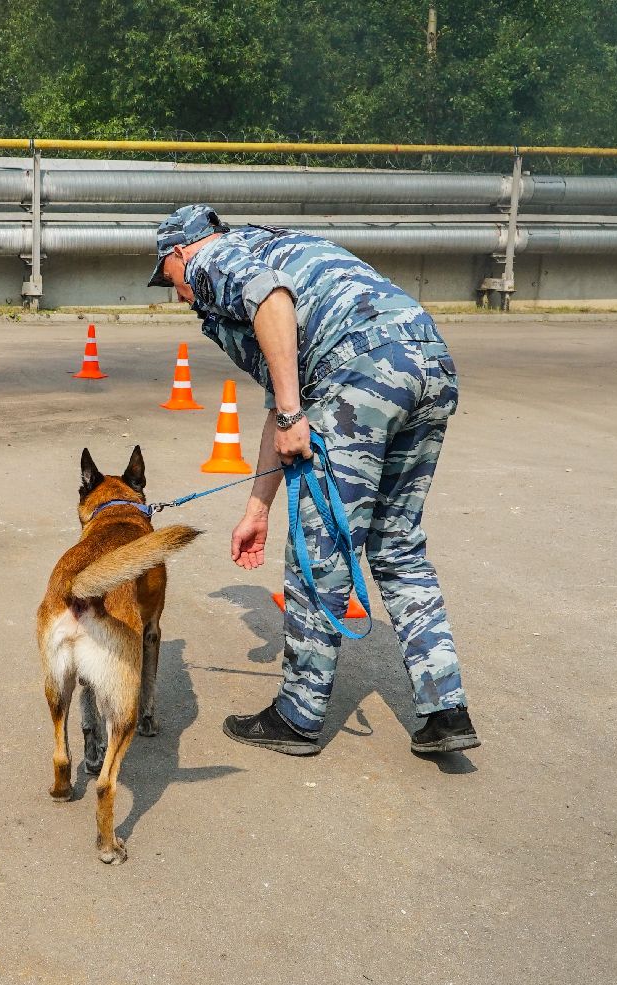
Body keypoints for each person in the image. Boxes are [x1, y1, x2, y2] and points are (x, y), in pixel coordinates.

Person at [148, 204, 476, 756]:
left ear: (181, 252)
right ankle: (446, 708)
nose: (176, 294)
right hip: (428, 363)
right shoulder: (278, 246)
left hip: (357, 373)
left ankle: (297, 717)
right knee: (398, 545)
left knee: (317, 555)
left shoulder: (215, 258)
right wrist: (258, 506)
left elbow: (270, 300)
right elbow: (281, 399)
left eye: (168, 278)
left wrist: (292, 414)